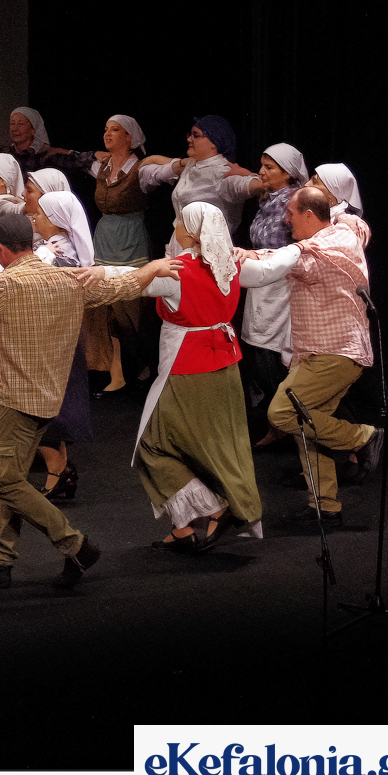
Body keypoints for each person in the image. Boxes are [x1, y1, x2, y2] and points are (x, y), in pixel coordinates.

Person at [0, 214, 181, 589]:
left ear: (1, 249)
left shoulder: (4, 285)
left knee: (2, 479)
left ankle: (75, 545)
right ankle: (0, 561)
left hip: (13, 401)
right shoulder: (67, 279)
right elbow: (123, 287)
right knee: (14, 480)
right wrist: (153, 266)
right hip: (48, 399)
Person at [86, 204, 260, 550]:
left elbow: (131, 281)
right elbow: (277, 265)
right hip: (226, 367)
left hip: (189, 366)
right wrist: (284, 250)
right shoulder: (232, 266)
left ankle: (215, 509)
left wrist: (100, 271)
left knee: (153, 445)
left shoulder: (178, 271)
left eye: (179, 220)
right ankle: (184, 527)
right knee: (220, 445)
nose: (173, 223)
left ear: (192, 232)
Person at [235, 187, 382, 524]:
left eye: (290, 212)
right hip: (334, 352)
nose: (285, 219)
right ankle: (325, 507)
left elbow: (269, 268)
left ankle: (364, 438)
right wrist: (254, 252)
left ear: (309, 215)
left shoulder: (314, 256)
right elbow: (357, 225)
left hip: (332, 354)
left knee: (283, 412)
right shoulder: (345, 233)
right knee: (308, 425)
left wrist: (235, 257)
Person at [42, 115, 159, 397]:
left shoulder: (141, 170)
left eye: (115, 130)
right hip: (105, 238)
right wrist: (58, 151)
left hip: (130, 240)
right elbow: (78, 160)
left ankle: (143, 368)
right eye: (106, 129)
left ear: (130, 138)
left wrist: (173, 162)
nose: (107, 134)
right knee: (108, 310)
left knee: (131, 309)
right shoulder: (103, 167)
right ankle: (118, 374)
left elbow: (167, 171)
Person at [235, 144, 309, 446]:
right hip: (261, 284)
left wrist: (258, 256)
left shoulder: (295, 201)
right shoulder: (267, 199)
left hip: (282, 287)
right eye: (261, 165)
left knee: (274, 357)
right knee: (260, 354)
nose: (261, 172)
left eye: (269, 167)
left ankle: (291, 428)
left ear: (288, 173)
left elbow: (299, 248)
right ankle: (277, 426)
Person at [24, 191, 97, 497]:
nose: (34, 218)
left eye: (40, 215)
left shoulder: (58, 253)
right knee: (50, 407)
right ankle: (59, 473)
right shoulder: (52, 248)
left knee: (44, 409)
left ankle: (59, 471)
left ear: (55, 221)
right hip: (57, 338)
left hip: (52, 340)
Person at [137, 115, 254, 255]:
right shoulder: (192, 165)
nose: (189, 139)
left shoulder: (224, 173)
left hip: (207, 251)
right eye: (190, 134)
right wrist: (178, 163)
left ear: (214, 141)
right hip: (181, 246)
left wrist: (250, 175)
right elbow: (147, 171)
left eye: (196, 135)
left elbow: (254, 185)